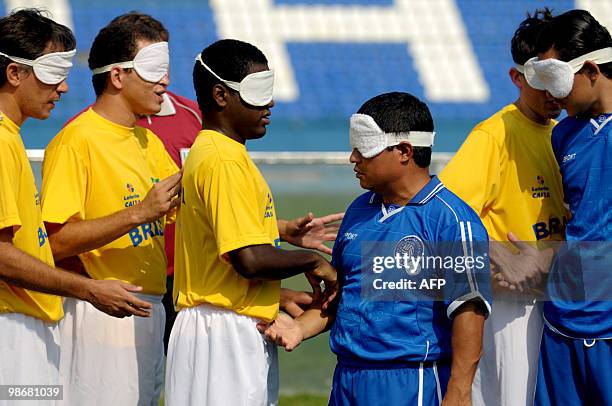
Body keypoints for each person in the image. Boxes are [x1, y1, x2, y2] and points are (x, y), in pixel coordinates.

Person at [260, 92, 492, 405]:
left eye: (364, 148)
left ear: (405, 151)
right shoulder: (358, 211)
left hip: (412, 383)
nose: (353, 158)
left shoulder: (451, 220)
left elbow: (469, 311)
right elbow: (343, 294)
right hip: (347, 381)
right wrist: (298, 328)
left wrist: (459, 392)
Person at [164, 39, 339, 406]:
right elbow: (249, 260)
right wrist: (315, 262)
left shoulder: (220, 153)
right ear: (221, 95)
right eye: (257, 92)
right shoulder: (223, 161)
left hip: (224, 326)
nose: (270, 103)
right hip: (223, 333)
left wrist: (280, 232)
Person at [0, 8, 154, 403]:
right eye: (53, 73)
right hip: (12, 333)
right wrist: (88, 289)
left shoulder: (11, 139)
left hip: (29, 327)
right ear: (14, 74)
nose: (65, 87)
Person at [40, 14, 181, 405]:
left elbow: (188, 215)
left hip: (151, 311)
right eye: (154, 70)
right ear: (117, 76)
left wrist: (280, 231)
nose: (165, 81)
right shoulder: (76, 141)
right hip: (100, 314)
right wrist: (137, 213)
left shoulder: (148, 141)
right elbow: (54, 242)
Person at [438, 9, 568, 406]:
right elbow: (443, 215)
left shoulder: (565, 134)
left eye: (559, 77)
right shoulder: (493, 136)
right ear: (517, 77)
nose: (554, 92)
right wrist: (500, 255)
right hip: (513, 307)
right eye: (542, 80)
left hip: (559, 298)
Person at [522, 9, 612, 405]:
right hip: (563, 318)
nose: (552, 95)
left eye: (557, 80)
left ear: (592, 69)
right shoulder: (564, 136)